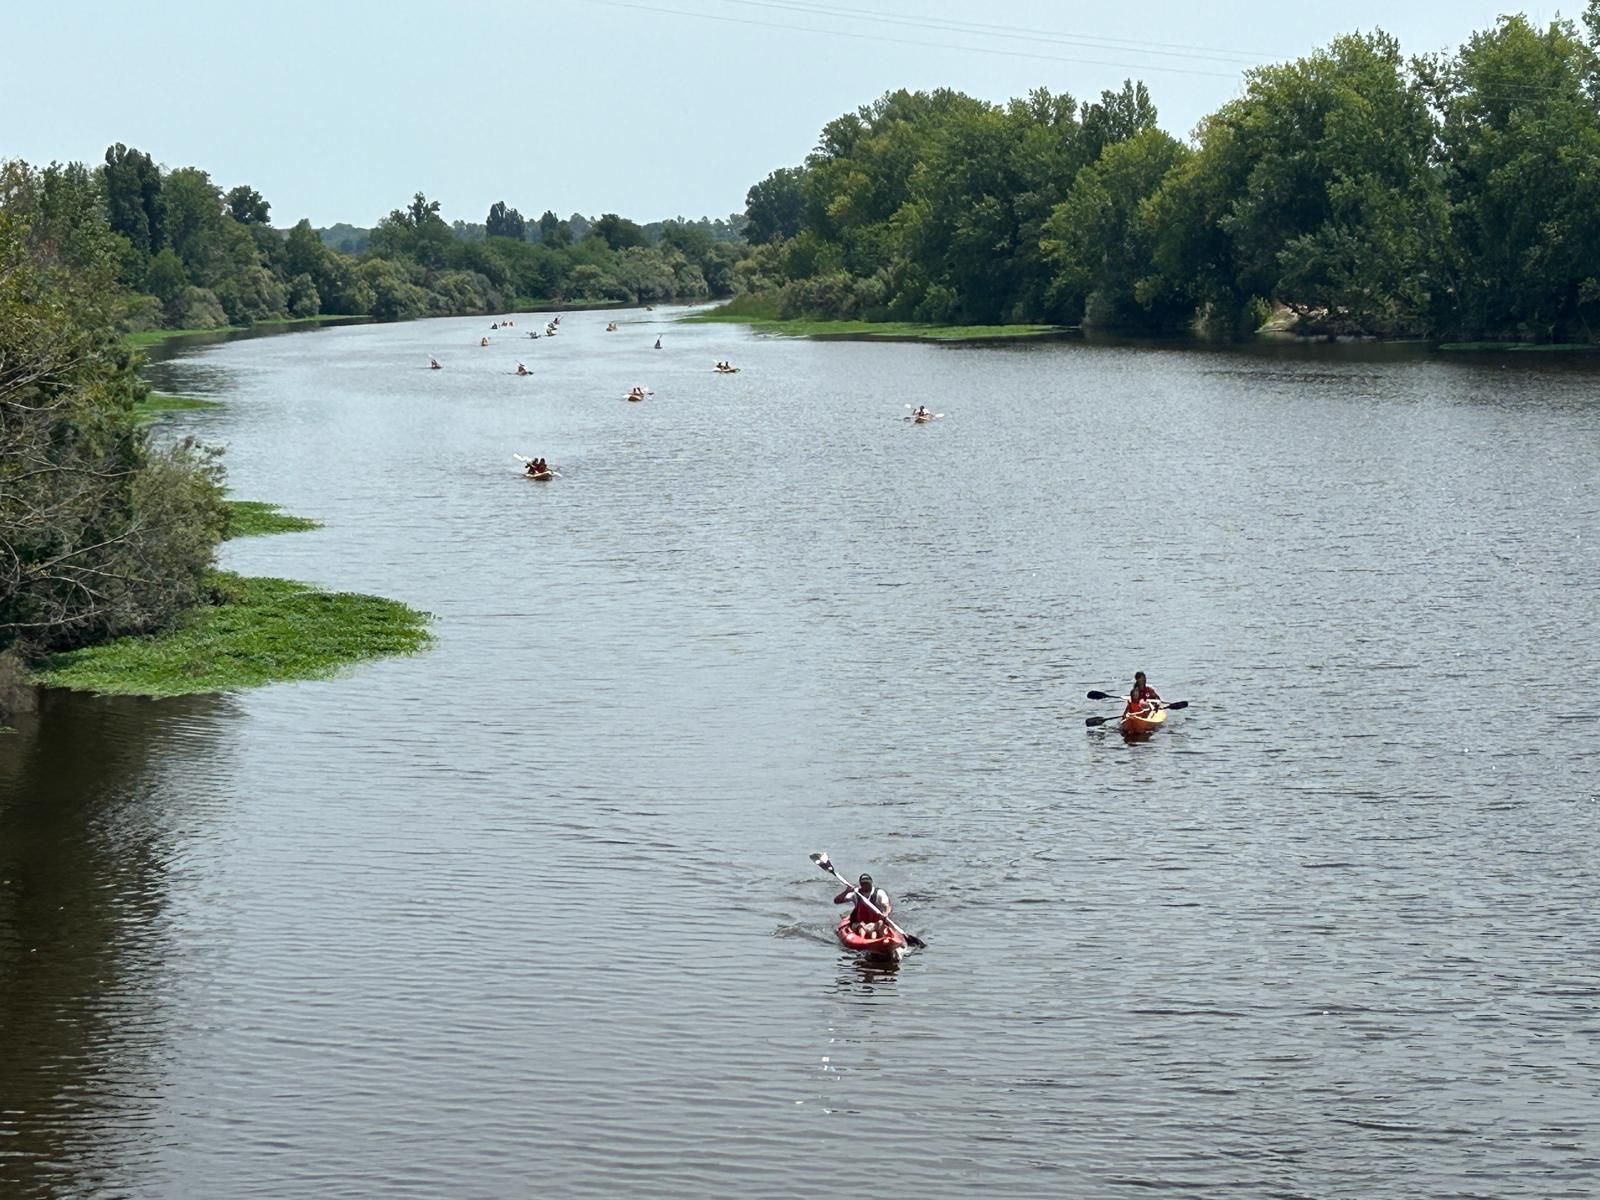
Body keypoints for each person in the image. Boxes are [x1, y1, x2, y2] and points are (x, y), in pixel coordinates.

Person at [835, 872, 892, 938]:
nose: (866, 885)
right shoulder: (856, 893)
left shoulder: (879, 893)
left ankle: (877, 937)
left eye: (867, 883)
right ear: (861, 884)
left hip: (876, 922)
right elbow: (837, 901)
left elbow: (887, 905)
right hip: (859, 922)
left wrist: (886, 913)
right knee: (861, 928)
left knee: (877, 927)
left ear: (871, 883)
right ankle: (863, 939)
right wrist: (846, 891)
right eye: (863, 884)